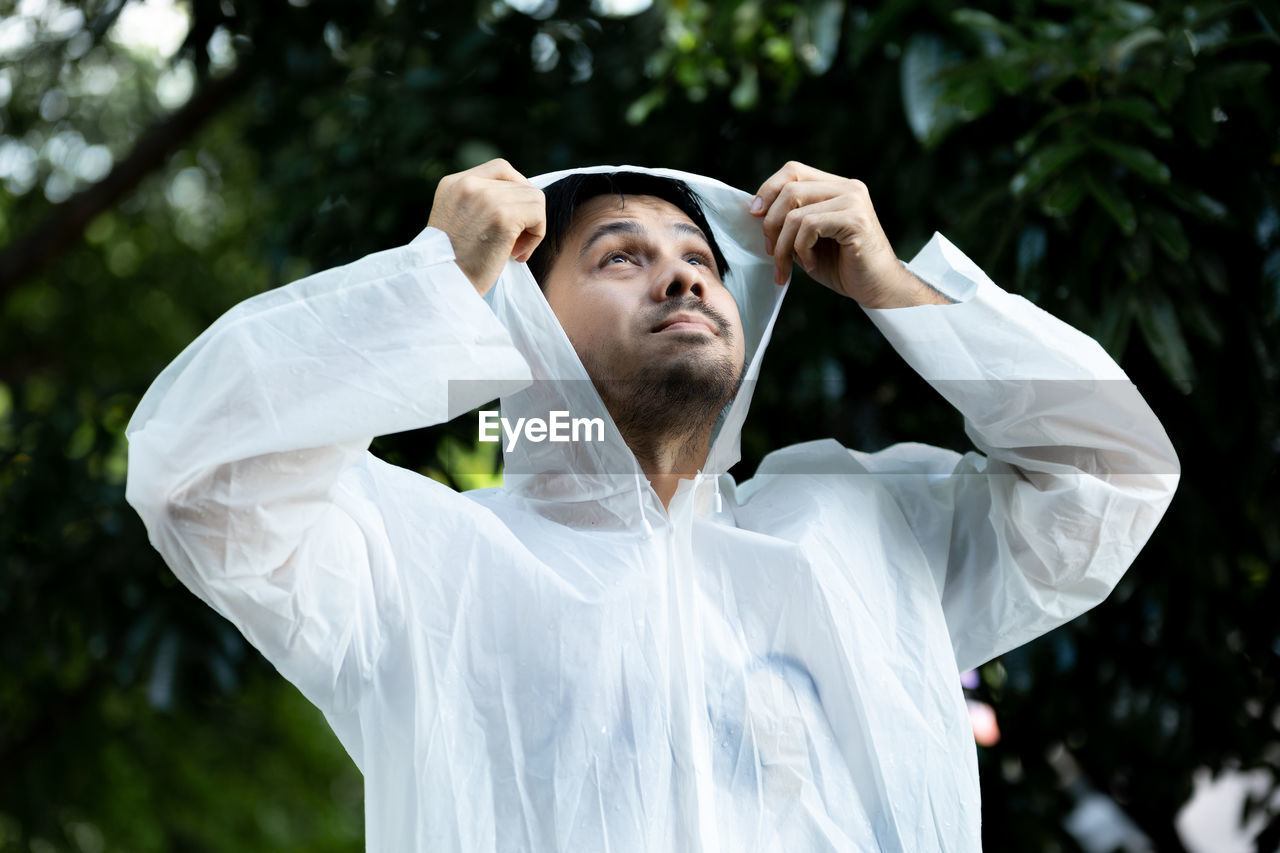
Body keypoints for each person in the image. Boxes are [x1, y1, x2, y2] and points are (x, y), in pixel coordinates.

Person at [125, 159, 1179, 851]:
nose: (681, 281)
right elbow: (198, 472)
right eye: (620, 256)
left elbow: (1109, 471)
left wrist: (896, 288)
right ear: (521, 324)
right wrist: (431, 283)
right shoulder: (419, 564)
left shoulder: (860, 529)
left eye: (699, 262)